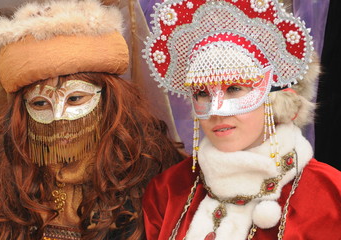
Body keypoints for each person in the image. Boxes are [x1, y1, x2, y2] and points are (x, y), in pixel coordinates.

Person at [0, 0, 184, 239]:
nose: (58, 119)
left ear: (110, 100)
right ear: (22, 113)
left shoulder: (153, 175)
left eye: (75, 99)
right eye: (40, 103)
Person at [142, 0, 341, 239]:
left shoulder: (331, 194)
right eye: (202, 93)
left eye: (235, 88)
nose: (217, 111)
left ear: (276, 99)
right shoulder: (167, 190)